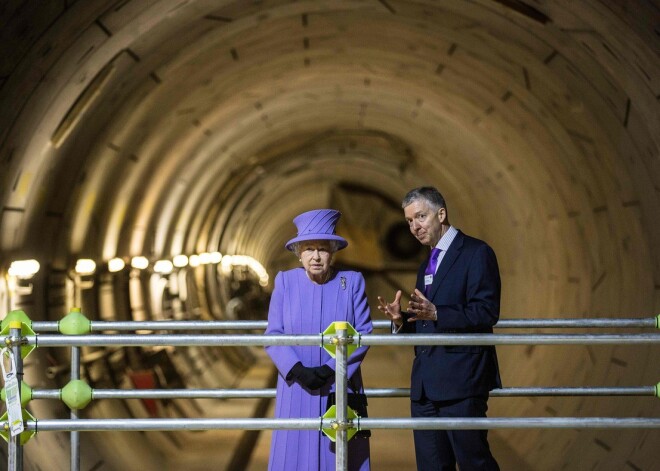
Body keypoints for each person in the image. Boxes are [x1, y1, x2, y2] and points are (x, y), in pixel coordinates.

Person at [378, 187, 501, 471]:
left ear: (441, 214)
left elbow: (486, 312)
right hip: (424, 387)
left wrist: (437, 312)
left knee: (474, 462)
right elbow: (427, 323)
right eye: (409, 221)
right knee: (432, 466)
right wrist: (401, 321)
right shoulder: (426, 265)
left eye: (420, 217)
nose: (414, 227)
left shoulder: (476, 253)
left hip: (462, 381)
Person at [265, 209, 372, 471]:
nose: (315, 256)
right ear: (299, 253)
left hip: (339, 387)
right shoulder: (285, 282)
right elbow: (273, 334)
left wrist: (332, 369)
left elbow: (364, 333)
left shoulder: (352, 282)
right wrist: (297, 370)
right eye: (309, 248)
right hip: (297, 389)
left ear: (332, 252)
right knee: (294, 454)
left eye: (323, 249)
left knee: (338, 456)